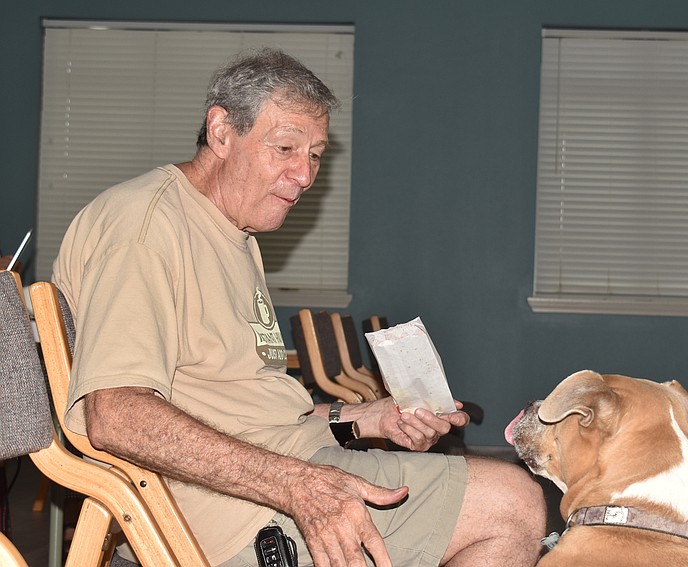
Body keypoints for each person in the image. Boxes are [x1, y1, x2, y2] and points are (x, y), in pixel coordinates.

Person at [53, 48, 545, 567]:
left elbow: (249, 409)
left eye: (314, 155)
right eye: (285, 147)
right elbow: (117, 415)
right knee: (513, 505)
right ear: (221, 132)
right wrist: (297, 485)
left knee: (506, 497)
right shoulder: (145, 229)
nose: (305, 174)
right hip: (225, 512)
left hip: (276, 471)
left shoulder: (233, 232)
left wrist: (371, 418)